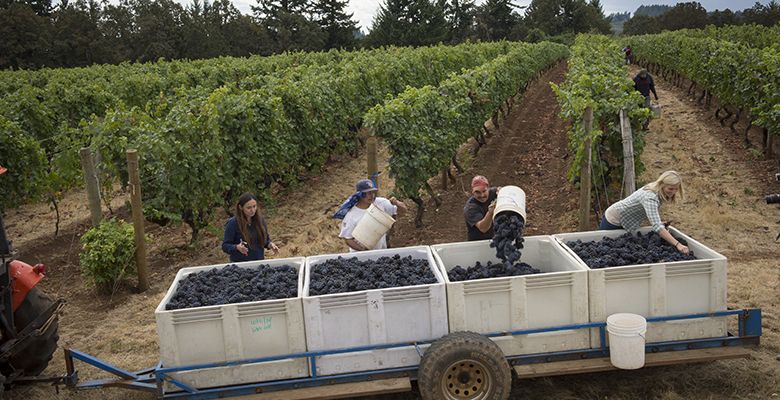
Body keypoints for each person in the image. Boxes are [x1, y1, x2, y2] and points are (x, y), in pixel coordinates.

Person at [599, 171, 689, 254]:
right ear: (662, 184)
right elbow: (658, 227)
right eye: (670, 189)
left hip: (626, 221)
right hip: (613, 220)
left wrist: (658, 223)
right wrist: (678, 244)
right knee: (604, 249)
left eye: (676, 189)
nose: (673, 192)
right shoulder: (650, 197)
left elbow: (652, 218)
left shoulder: (656, 189)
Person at [335, 179, 407, 251]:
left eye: (373, 192)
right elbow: (348, 239)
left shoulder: (381, 203)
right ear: (360, 195)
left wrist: (397, 203)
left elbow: (403, 211)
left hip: (381, 252)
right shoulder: (351, 215)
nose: (372, 196)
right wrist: (365, 252)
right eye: (368, 193)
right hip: (361, 257)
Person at [222, 192, 279, 262]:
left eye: (254, 206)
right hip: (239, 265)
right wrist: (236, 247)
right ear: (241, 207)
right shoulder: (233, 223)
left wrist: (270, 244)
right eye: (249, 208)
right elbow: (225, 245)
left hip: (259, 263)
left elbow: (265, 240)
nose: (252, 210)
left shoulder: (260, 221)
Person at [464, 175, 500, 241]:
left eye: (484, 191)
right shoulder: (470, 208)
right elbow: (483, 228)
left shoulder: (493, 193)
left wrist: (504, 192)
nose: (482, 195)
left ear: (488, 189)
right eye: (477, 192)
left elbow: (502, 190)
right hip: (478, 243)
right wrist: (490, 213)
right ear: (472, 192)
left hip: (495, 239)